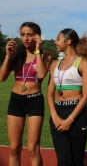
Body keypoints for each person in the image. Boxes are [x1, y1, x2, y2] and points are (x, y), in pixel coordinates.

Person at [0, 22, 52, 166]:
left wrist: (37, 51)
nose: (26, 38)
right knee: (14, 148)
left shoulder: (45, 54)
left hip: (34, 101)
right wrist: (8, 56)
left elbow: (41, 75)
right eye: (23, 35)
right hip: (16, 100)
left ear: (38, 37)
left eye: (29, 35)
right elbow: (2, 77)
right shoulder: (16, 54)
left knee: (32, 149)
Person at [47, 28, 87, 166]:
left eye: (57, 39)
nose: (55, 42)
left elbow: (86, 96)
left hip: (77, 113)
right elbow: (49, 93)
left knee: (77, 160)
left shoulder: (83, 62)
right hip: (57, 112)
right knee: (63, 160)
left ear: (68, 41)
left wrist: (70, 119)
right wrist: (54, 116)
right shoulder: (55, 64)